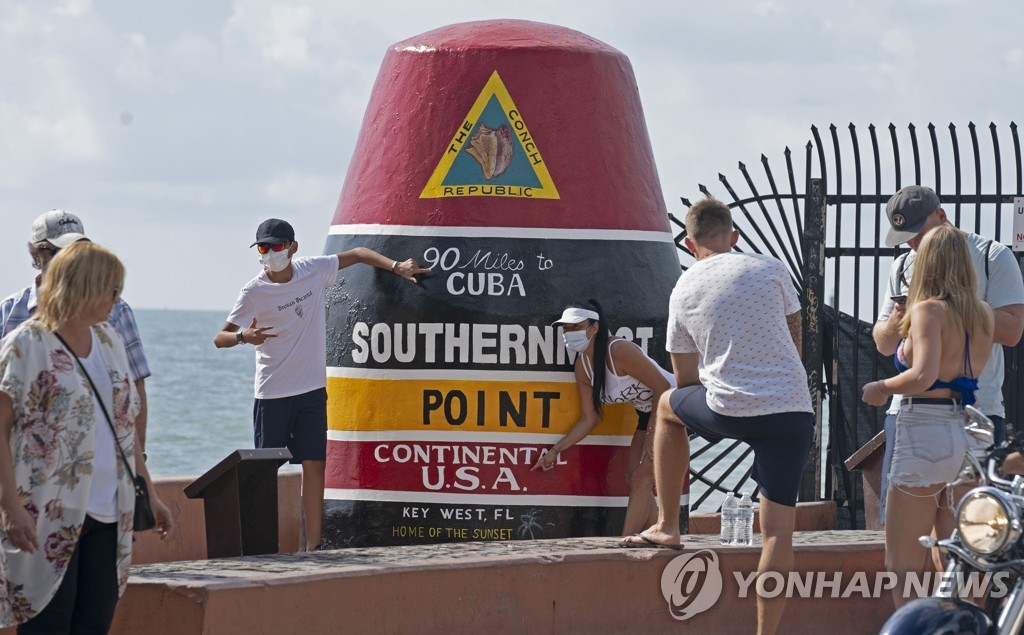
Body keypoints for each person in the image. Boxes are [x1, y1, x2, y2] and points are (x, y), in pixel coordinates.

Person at [621, 198, 813, 635]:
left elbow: (684, 379)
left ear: (689, 244)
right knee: (778, 535)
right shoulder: (770, 268)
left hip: (728, 410)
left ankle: (669, 525)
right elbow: (796, 339)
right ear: (735, 237)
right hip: (789, 409)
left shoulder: (683, 288)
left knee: (669, 406)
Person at [214, 218, 429, 551]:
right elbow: (220, 338)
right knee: (263, 472)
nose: (270, 253)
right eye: (263, 248)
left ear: (292, 247)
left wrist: (396, 266)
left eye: (276, 246)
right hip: (272, 393)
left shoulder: (313, 270)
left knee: (315, 464)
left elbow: (357, 253)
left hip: (312, 392)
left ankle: (311, 548)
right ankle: (261, 550)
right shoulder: (253, 291)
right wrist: (244, 336)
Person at [0, 242, 173, 633]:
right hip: (46, 512)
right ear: (84, 287)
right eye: (111, 289)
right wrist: (9, 505)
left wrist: (149, 490)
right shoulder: (25, 345)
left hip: (110, 512)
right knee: (48, 625)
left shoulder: (110, 340)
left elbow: (122, 426)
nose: (117, 299)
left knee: (93, 625)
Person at [873, 186, 1024, 523]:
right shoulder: (901, 266)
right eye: (905, 238)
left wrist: (942, 308)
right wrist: (900, 318)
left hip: (978, 409)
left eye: (918, 234)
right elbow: (883, 342)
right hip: (908, 414)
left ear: (942, 216)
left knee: (974, 534)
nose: (914, 245)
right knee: (904, 538)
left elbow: (1013, 331)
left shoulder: (992, 255)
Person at [862, 224, 994, 608]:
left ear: (927, 263)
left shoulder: (927, 310)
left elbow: (924, 375)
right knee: (960, 559)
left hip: (924, 428)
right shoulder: (983, 314)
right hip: (970, 432)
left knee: (903, 565)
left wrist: (881, 388)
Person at [0, 210, 153, 455]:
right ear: (37, 257)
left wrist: (138, 459)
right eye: (61, 251)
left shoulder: (116, 310)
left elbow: (135, 385)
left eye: (77, 252)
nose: (71, 260)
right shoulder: (8, 312)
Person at [530, 300, 675, 536]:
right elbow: (590, 419)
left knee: (641, 478)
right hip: (647, 413)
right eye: (566, 329)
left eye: (576, 327)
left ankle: (624, 545)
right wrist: (555, 451)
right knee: (632, 478)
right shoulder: (583, 367)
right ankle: (656, 535)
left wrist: (652, 435)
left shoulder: (618, 350)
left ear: (594, 327)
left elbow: (661, 387)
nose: (569, 334)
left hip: (671, 407)